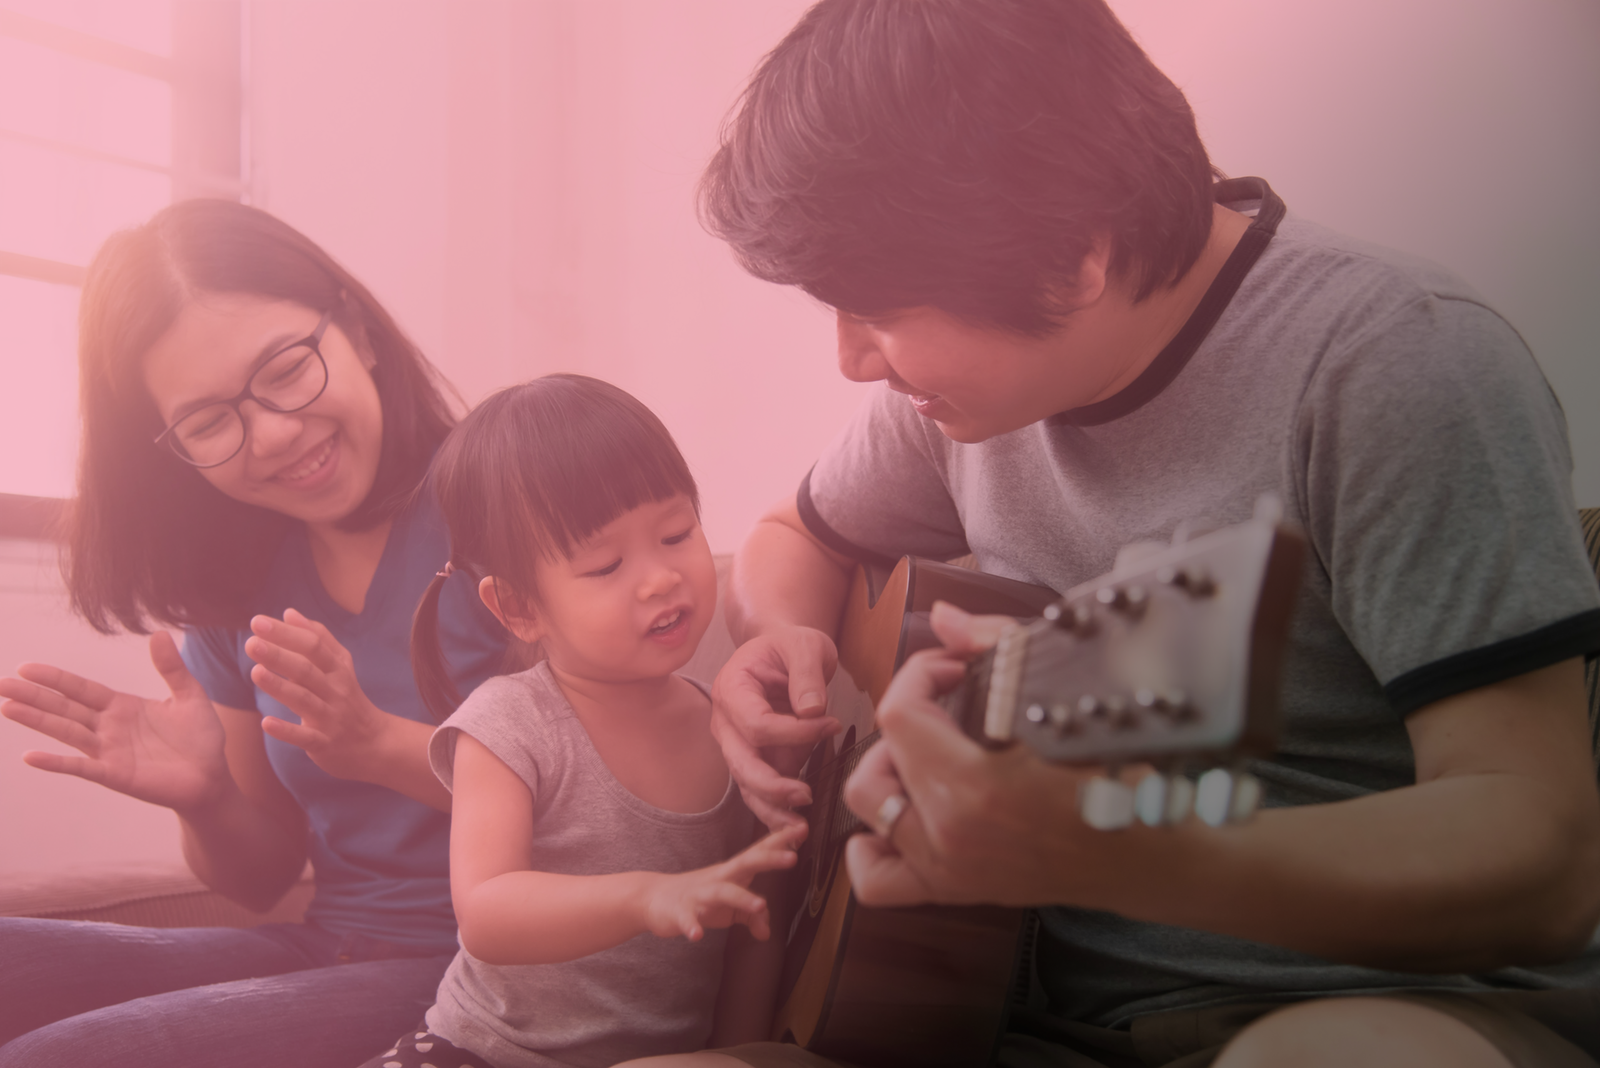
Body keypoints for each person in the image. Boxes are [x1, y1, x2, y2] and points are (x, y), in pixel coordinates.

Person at [626, 1, 1600, 1066]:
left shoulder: (1397, 364)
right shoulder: (959, 401)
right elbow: (790, 533)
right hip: (993, 1017)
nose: (854, 361)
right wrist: (781, 642)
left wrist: (1102, 854)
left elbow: (1543, 858)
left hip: (1373, 1011)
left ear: (1075, 257)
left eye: (880, 310)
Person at [0, 200, 508, 1068]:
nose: (272, 433)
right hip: (328, 947)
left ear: (358, 332)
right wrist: (206, 799)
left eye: (285, 369)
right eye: (207, 421)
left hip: (493, 969)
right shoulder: (235, 590)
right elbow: (262, 877)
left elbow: (614, 809)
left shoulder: (505, 506)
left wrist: (379, 746)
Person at [358, 374, 800, 1068]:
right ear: (518, 608)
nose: (659, 578)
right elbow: (488, 913)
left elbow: (755, 928)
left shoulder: (734, 728)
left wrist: (742, 1050)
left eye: (677, 532)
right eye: (605, 565)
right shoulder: (507, 726)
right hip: (478, 1053)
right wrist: (645, 898)